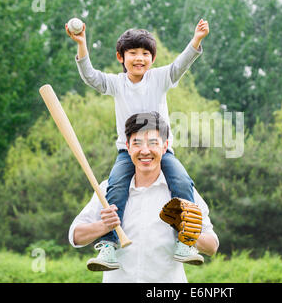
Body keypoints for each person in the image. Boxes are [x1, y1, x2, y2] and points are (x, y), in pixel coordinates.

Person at [65, 19, 209, 271]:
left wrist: (196, 40)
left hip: (161, 152)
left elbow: (180, 64)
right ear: (121, 57)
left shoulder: (160, 78)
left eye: (145, 53)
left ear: (152, 58)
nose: (139, 58)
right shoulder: (116, 83)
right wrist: (82, 45)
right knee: (116, 187)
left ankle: (185, 241)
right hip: (126, 152)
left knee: (183, 183)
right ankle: (109, 245)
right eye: (132, 53)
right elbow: (90, 77)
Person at [68, 112, 219, 282]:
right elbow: (75, 236)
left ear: (165, 146)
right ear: (128, 147)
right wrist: (104, 226)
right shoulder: (108, 190)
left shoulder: (182, 191)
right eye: (137, 143)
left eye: (153, 143)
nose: (145, 151)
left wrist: (187, 230)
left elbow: (212, 246)